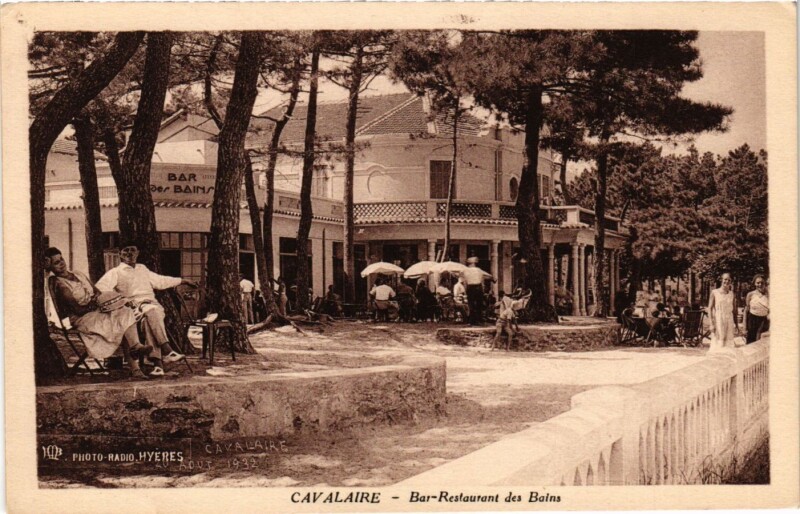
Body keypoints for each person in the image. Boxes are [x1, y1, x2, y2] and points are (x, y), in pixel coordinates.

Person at [45, 247, 150, 379]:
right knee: (121, 322)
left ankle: (136, 346)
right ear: (50, 267)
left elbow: (96, 292)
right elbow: (77, 309)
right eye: (56, 263)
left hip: (96, 310)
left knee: (125, 311)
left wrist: (106, 301)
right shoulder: (58, 283)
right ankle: (136, 368)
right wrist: (97, 304)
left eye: (61, 259)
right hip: (81, 318)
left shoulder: (78, 273)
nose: (61, 263)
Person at [96, 241, 196, 376]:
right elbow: (101, 288)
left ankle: (158, 366)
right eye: (126, 250)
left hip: (151, 305)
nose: (129, 253)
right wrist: (122, 300)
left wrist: (183, 280)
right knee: (151, 312)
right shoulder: (116, 272)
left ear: (137, 253)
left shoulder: (142, 269)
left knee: (150, 317)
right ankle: (167, 350)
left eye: (132, 250)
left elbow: (161, 281)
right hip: (133, 310)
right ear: (120, 255)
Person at [707, 272, 739, 352]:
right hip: (719, 319)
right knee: (719, 343)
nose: (727, 281)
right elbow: (709, 308)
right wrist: (711, 323)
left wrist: (737, 325)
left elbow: (734, 310)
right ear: (721, 280)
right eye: (725, 279)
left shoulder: (732, 294)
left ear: (731, 281)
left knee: (729, 344)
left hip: (729, 320)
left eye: (729, 280)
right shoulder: (714, 292)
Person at [744, 275, 769, 344]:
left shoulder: (768, 295)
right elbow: (746, 311)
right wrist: (744, 328)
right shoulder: (750, 294)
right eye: (758, 283)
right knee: (751, 343)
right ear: (754, 283)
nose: (760, 284)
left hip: (764, 321)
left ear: (764, 283)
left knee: (761, 343)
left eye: (762, 282)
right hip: (752, 321)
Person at [463, 257, 486, 325]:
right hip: (478, 287)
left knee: (471, 305)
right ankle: (479, 320)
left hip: (470, 287)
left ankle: (472, 321)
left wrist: (465, 290)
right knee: (479, 305)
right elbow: (482, 281)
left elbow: (465, 282)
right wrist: (483, 290)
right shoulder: (479, 270)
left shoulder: (465, 270)